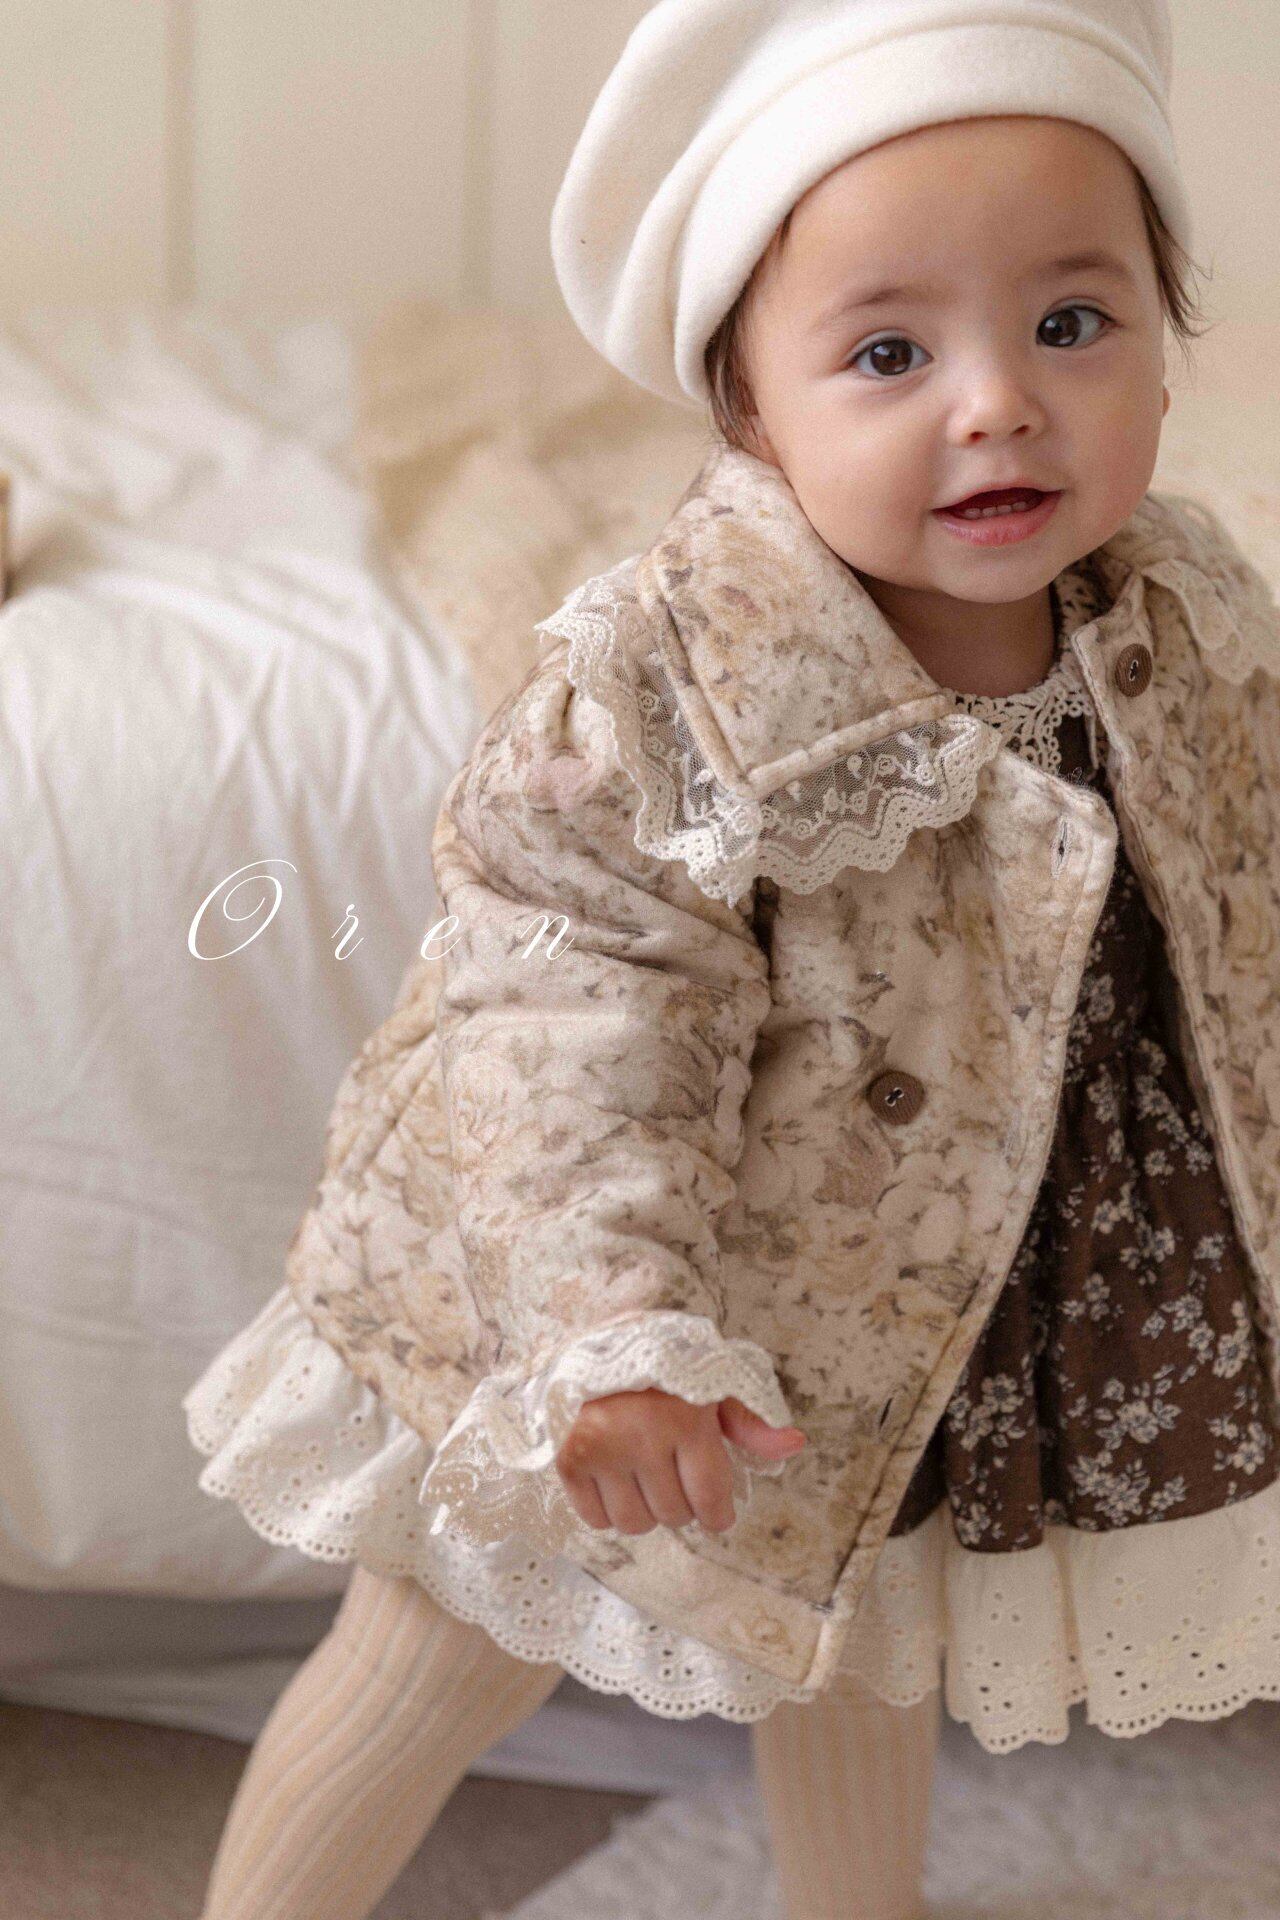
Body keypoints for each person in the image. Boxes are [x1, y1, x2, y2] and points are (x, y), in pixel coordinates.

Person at [183, 3, 1280, 1916]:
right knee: (444, 1648)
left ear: (1168, 351)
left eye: (1072, 322)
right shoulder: (664, 697)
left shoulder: (1183, 611)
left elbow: (1240, 897)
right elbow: (570, 1026)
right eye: (889, 353)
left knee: (862, 1624)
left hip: (928, 1283)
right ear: (752, 412)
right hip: (597, 1289)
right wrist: (609, 1332)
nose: (998, 402)